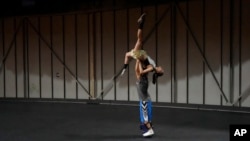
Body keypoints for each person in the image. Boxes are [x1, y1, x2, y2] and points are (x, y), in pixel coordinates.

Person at [121, 13, 164, 84]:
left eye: (162, 70)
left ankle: (141, 23)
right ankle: (124, 69)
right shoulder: (153, 66)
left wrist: (139, 61)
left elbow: (141, 72)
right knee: (127, 54)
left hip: (141, 56)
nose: (161, 68)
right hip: (142, 55)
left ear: (158, 71)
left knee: (139, 40)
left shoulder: (152, 68)